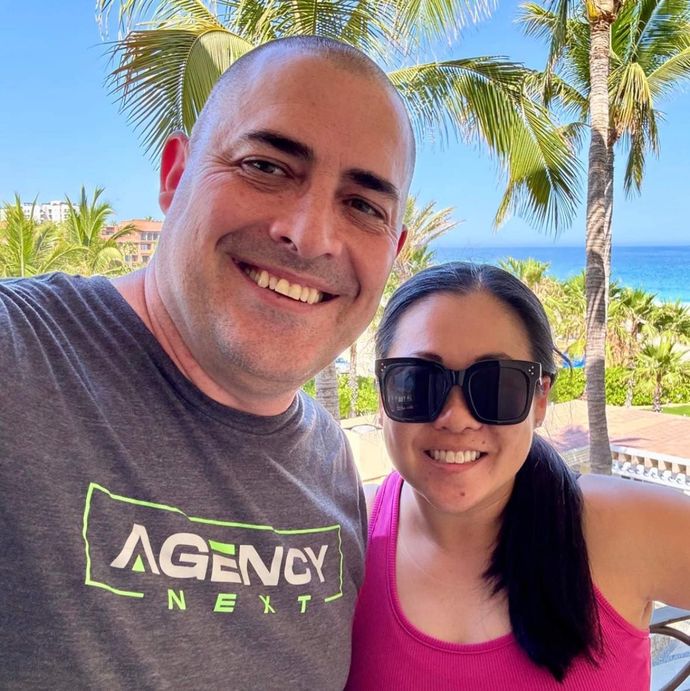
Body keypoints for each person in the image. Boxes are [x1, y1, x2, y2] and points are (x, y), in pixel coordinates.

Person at [0, 36, 414, 688]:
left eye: (362, 204)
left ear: (393, 248)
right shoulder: (19, 355)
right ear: (174, 175)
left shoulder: (332, 463)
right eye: (267, 167)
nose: (309, 235)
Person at [346, 262, 690, 690]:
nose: (456, 418)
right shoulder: (342, 543)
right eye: (419, 382)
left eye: (495, 385)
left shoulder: (613, 528)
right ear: (383, 396)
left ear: (540, 399)